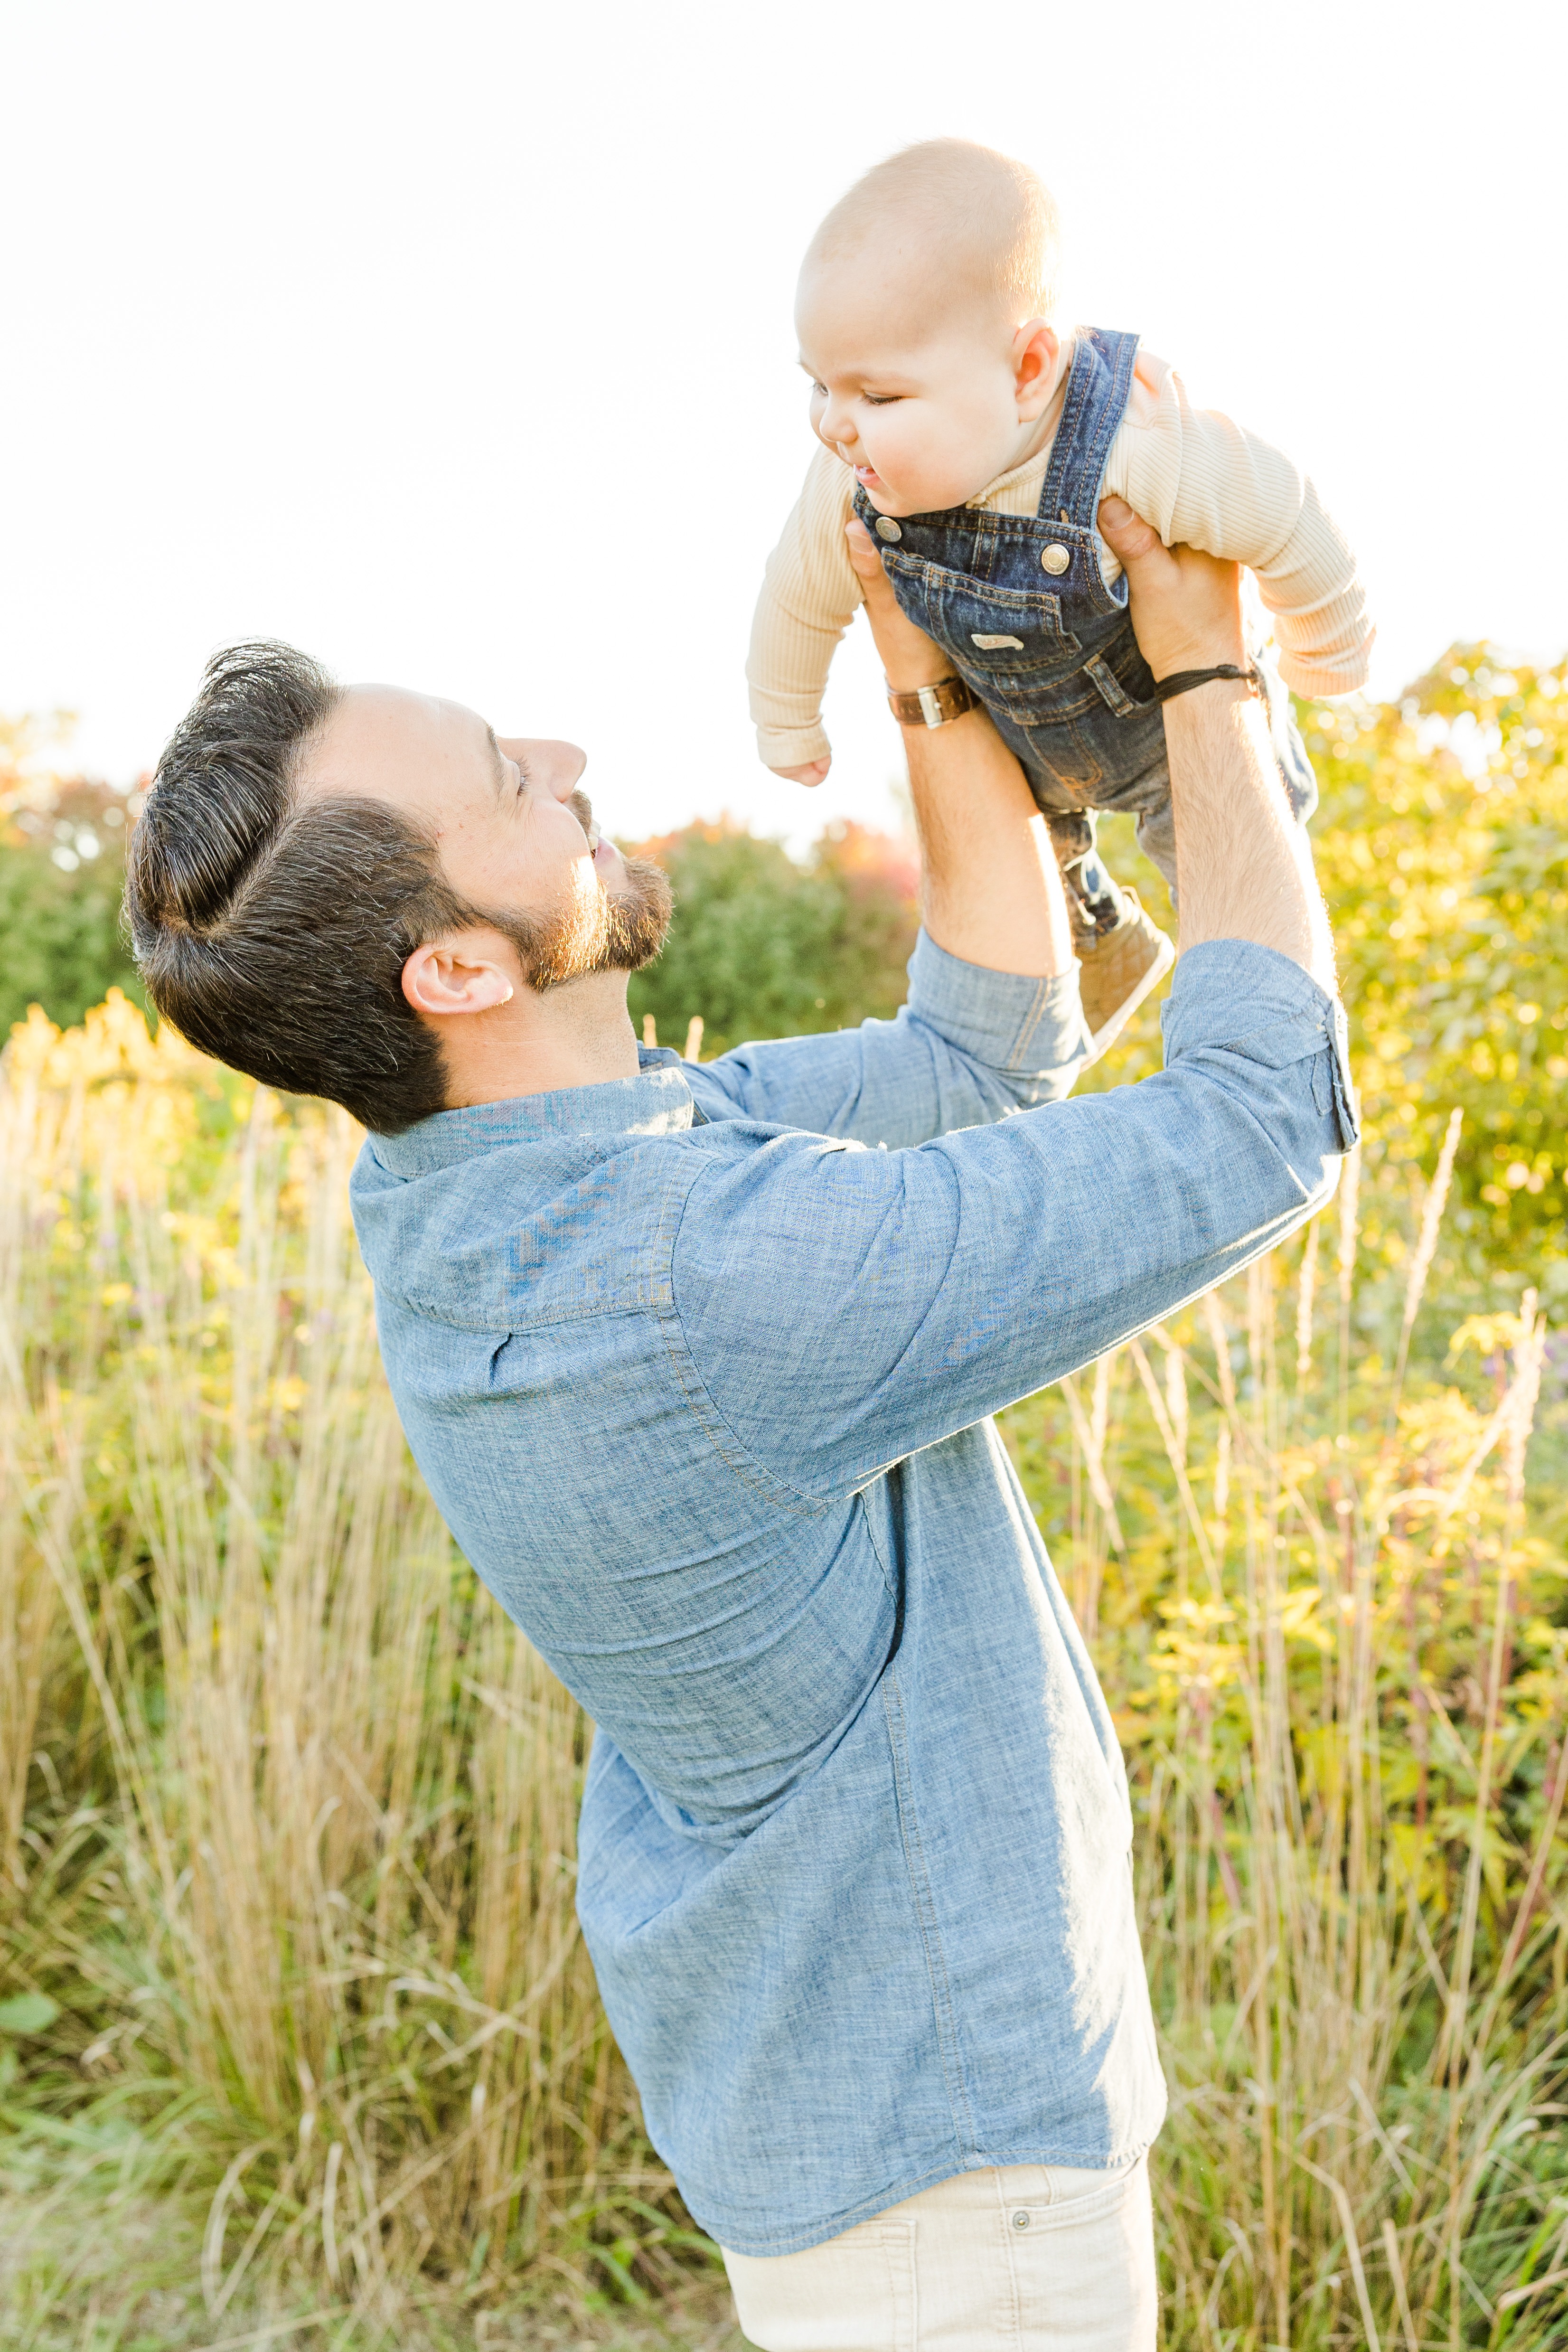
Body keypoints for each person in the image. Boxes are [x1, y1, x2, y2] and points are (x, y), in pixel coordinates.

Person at [124, 498, 1355, 2350]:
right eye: (502, 781)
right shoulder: (693, 1278)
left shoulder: (497, 1178)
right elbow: (1265, 1119)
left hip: (861, 2140)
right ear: (454, 968)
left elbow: (974, 1063)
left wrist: (925, 677)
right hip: (956, 2209)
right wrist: (1202, 663)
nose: (566, 760)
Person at [749, 137, 1372, 1057]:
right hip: (1022, 743)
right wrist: (783, 717)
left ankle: (1242, 1011)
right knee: (1024, 843)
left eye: (877, 393)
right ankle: (1102, 940)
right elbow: (798, 597)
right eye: (818, 385)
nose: (835, 424)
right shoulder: (849, 476)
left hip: (1167, 734)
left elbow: (1283, 515)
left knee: (1222, 870)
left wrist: (1329, 644)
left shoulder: (1134, 446)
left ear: (1029, 369)